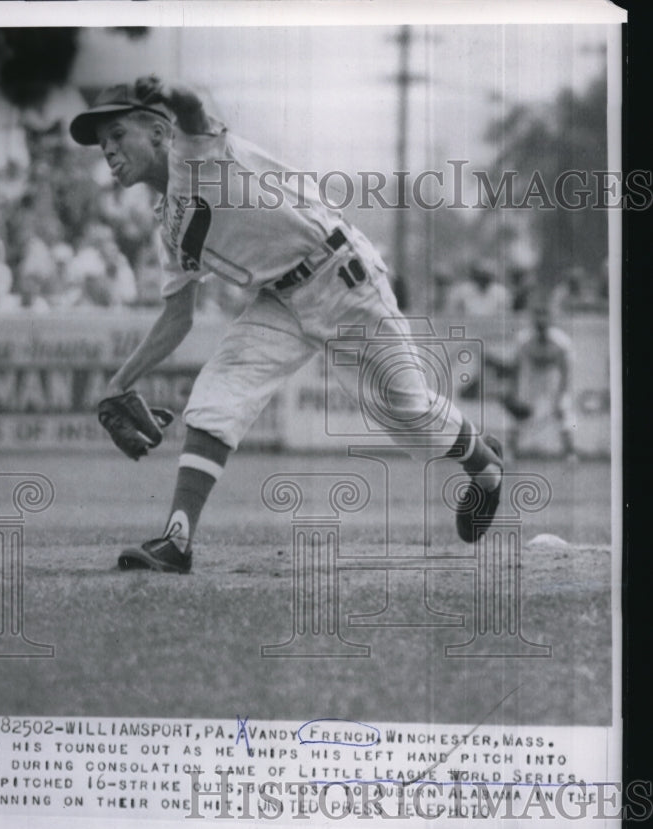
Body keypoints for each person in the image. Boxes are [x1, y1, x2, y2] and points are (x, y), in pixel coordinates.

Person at [69, 77, 505, 572]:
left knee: (406, 412)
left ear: (155, 132)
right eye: (102, 142)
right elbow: (177, 316)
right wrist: (118, 383)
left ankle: (485, 467)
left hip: (341, 277)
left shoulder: (192, 156)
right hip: (280, 300)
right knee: (219, 392)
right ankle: (176, 541)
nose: (107, 148)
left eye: (117, 134)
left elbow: (190, 106)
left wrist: (169, 91)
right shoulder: (168, 222)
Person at [505, 301, 577, 461]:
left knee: (564, 412)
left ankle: (570, 453)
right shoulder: (524, 339)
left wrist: (562, 393)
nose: (541, 323)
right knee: (519, 414)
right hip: (532, 379)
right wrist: (514, 389)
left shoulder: (561, 341)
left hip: (553, 379)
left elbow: (566, 370)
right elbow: (515, 366)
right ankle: (510, 451)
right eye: (538, 319)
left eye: (544, 319)